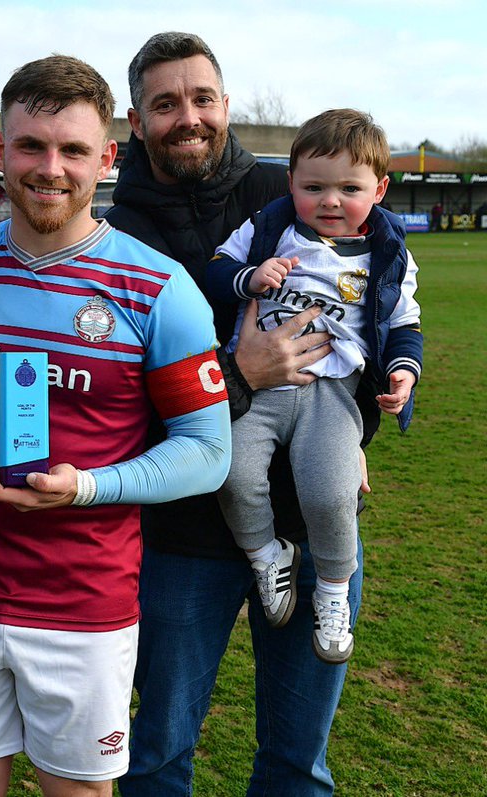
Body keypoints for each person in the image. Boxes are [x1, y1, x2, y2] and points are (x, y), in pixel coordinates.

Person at [0, 55, 231, 797]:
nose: (49, 168)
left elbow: (209, 452)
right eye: (31, 146)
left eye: (73, 150)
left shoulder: (159, 287)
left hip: (84, 603)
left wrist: (88, 486)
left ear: (107, 158)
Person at [105, 32, 363, 795]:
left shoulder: (296, 191)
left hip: (314, 525)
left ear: (225, 104)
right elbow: (122, 394)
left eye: (202, 98)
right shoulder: (117, 236)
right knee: (157, 754)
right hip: (183, 534)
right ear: (136, 119)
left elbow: (367, 327)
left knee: (297, 763)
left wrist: (356, 433)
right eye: (165, 103)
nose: (188, 117)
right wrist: (238, 377)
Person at [206, 109, 422, 663]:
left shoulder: (389, 253)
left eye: (349, 188)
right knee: (230, 474)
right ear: (291, 183)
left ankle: (331, 591)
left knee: (331, 492)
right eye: (314, 187)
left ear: (379, 188)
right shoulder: (268, 228)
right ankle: (266, 553)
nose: (330, 200)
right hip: (260, 386)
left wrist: (403, 372)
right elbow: (214, 272)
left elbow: (402, 325)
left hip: (332, 391)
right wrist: (248, 280)